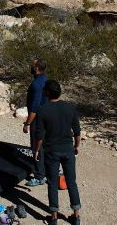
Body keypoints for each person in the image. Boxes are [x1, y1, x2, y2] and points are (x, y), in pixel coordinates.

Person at [33, 80, 81, 225]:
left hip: (52, 151)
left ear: (47, 93)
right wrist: (77, 146)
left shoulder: (42, 110)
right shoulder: (70, 108)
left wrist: (36, 150)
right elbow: (77, 131)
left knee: (52, 183)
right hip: (68, 149)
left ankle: (53, 218)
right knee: (71, 182)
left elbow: (39, 135)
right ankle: (76, 216)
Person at [22, 58, 48, 187]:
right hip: (47, 116)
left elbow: (35, 107)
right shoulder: (45, 79)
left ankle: (39, 175)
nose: (31, 68)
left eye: (32, 66)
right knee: (46, 144)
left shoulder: (36, 84)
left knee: (36, 146)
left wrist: (27, 123)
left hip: (38, 119)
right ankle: (49, 170)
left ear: (36, 68)